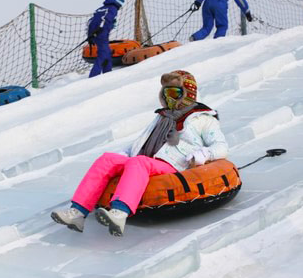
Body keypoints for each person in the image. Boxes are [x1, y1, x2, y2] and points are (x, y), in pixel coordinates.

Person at [51, 70, 228, 237]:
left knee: (139, 162)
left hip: (175, 164)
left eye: (174, 93)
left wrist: (204, 154)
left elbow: (221, 145)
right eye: (165, 93)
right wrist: (125, 153)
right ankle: (77, 212)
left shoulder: (202, 119)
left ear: (187, 93)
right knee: (107, 159)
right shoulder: (162, 116)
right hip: (150, 159)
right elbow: (143, 141)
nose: (168, 98)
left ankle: (119, 213)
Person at [87, 0, 125, 78]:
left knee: (107, 53)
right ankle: (93, 76)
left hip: (95, 34)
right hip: (101, 34)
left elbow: (91, 21)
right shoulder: (113, 8)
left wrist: (90, 35)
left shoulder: (100, 9)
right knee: (103, 54)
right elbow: (106, 19)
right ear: (119, 3)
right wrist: (101, 28)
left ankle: (107, 74)